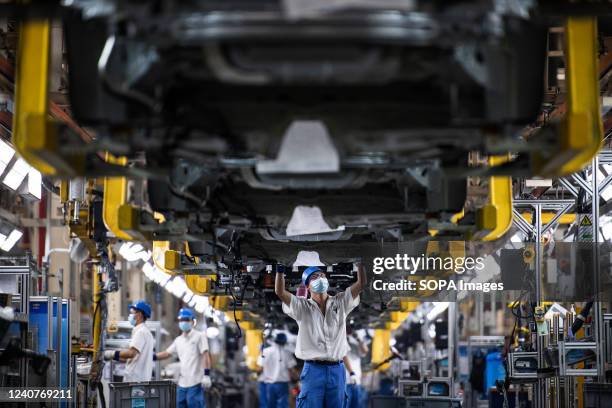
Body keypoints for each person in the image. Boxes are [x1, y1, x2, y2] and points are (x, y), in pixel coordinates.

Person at [275, 263, 367, 408]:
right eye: (314, 277)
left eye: (322, 275)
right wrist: (280, 270)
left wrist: (361, 263)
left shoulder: (340, 302)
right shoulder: (302, 307)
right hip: (313, 369)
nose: (320, 278)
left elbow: (361, 284)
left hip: (337, 369)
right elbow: (280, 292)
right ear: (307, 286)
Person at [155, 308, 212, 408]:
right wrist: (151, 356)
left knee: (194, 404)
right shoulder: (178, 340)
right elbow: (167, 353)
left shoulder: (199, 336)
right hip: (182, 383)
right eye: (181, 320)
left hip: (196, 382)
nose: (183, 322)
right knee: (179, 405)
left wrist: (206, 374)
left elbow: (205, 355)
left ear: (192, 322)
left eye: (186, 319)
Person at [103, 300, 154, 382]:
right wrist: (113, 357)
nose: (130, 315)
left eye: (132, 312)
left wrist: (111, 353)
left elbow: (131, 354)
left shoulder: (141, 332)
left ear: (139, 314)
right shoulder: (145, 332)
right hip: (139, 379)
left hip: (136, 381)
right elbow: (132, 358)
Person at [257, 332, 297, 408]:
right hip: (283, 385)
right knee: (283, 405)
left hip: (269, 385)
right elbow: (292, 370)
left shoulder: (265, 352)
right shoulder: (287, 353)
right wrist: (297, 380)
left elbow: (260, 368)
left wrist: (256, 375)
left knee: (269, 405)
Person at [343, 328, 368, 408]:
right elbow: (344, 356)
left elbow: (365, 350)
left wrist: (358, 338)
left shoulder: (355, 343)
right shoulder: (341, 342)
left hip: (356, 382)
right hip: (345, 382)